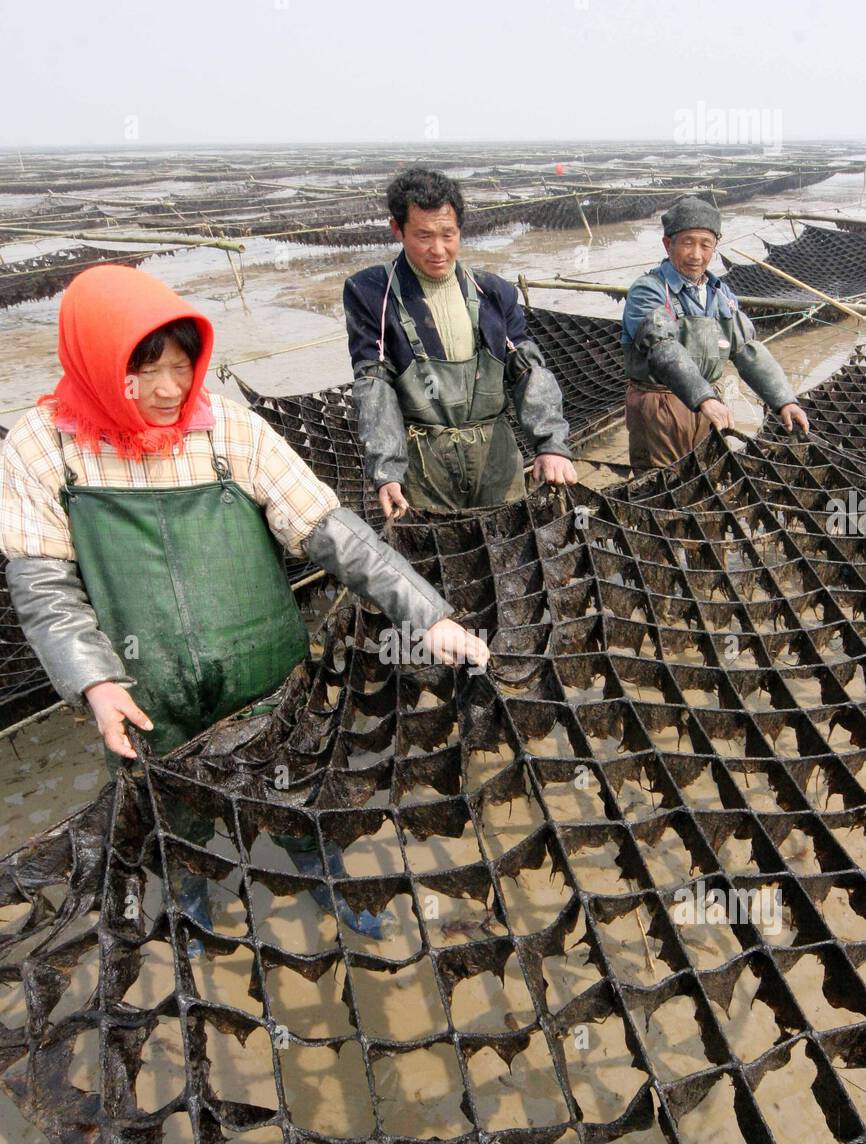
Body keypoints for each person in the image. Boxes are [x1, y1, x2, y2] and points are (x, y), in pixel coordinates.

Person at [0, 264, 488, 939]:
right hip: (149, 699)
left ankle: (325, 879)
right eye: (144, 372)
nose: (170, 389)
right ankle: (194, 899)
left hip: (268, 682)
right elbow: (46, 589)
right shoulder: (41, 446)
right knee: (175, 819)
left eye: (183, 366)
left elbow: (329, 530)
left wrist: (426, 614)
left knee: (298, 795)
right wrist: (95, 683)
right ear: (96, 362)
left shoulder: (228, 428)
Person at [343, 166, 576, 517]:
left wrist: (551, 444)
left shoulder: (494, 292)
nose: (438, 250)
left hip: (495, 455)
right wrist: (386, 471)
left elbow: (528, 371)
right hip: (425, 463)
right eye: (423, 236)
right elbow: (375, 386)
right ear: (397, 229)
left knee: (512, 550)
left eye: (448, 235)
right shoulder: (372, 293)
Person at [621, 196, 810, 474]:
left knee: (705, 480)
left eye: (705, 244)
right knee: (662, 486)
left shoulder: (720, 293)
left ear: (714, 247)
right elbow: (662, 347)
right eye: (687, 242)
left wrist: (784, 401)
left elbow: (747, 349)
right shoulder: (649, 291)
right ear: (667, 244)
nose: (696, 254)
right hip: (659, 407)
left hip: (708, 405)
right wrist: (704, 398)